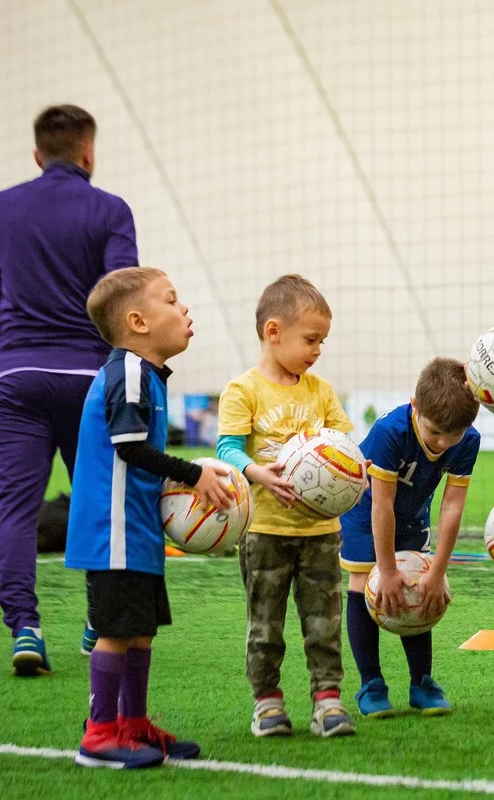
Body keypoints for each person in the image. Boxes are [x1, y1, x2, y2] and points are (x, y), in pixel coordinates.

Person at [65, 267, 232, 768]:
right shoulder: (130, 371)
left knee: (141, 630)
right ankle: (98, 736)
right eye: (171, 300)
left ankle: (133, 724)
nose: (185, 310)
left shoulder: (149, 378)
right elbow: (129, 446)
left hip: (135, 530)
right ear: (138, 321)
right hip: (112, 531)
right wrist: (192, 475)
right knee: (116, 630)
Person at [0, 104, 137, 673]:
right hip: (88, 378)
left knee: (11, 506)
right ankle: (99, 621)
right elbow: (123, 300)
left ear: (36, 154)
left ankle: (25, 629)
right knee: (103, 502)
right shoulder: (109, 209)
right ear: (88, 152)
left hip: (15, 378)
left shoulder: (0, 209)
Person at [216, 275, 356, 739]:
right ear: (273, 332)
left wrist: (354, 465)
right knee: (265, 625)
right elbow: (228, 448)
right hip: (265, 531)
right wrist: (256, 472)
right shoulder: (244, 390)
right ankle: (268, 703)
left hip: (320, 532)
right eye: (311, 339)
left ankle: (327, 702)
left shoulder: (321, 391)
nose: (317, 350)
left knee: (324, 625)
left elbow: (341, 442)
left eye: (323, 341)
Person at [340, 357, 479, 718]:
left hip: (413, 516)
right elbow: (381, 505)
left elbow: (451, 508)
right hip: (365, 511)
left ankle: (422, 683)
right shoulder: (392, 433)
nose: (444, 443)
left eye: (455, 436)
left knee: (418, 586)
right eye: (434, 432)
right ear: (415, 407)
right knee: (363, 584)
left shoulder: (467, 440)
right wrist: (385, 570)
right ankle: (371, 683)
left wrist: (437, 572)